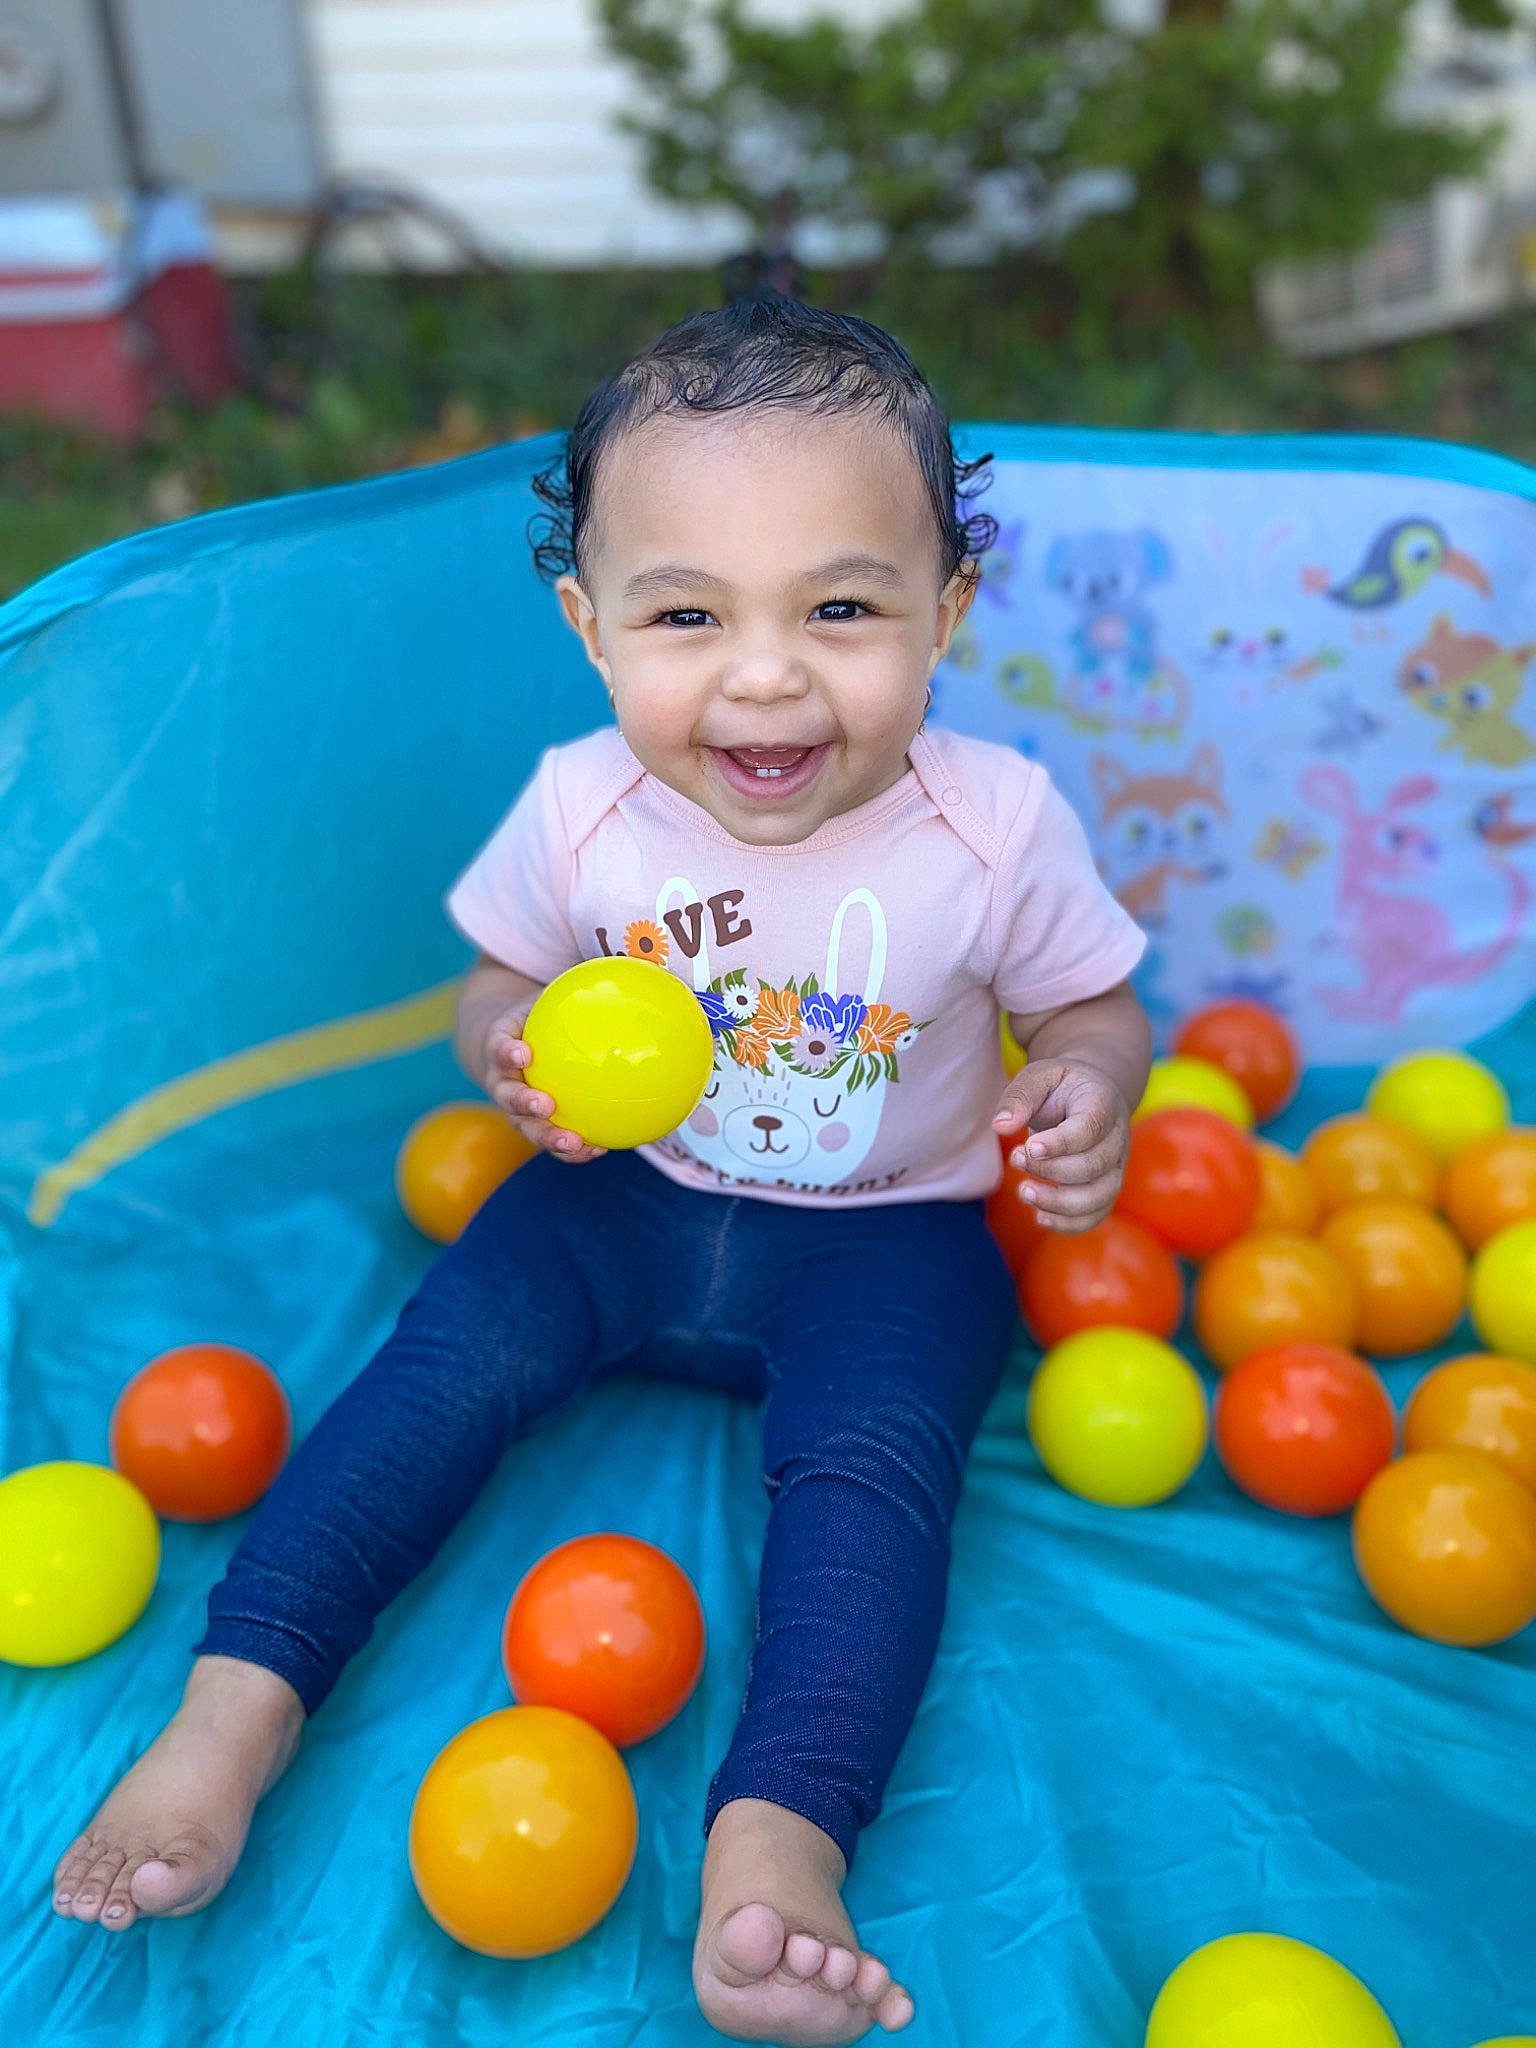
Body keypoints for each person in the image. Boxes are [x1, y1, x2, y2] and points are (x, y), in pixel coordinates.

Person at [52, 290, 1151, 2045]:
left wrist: (1090, 1086)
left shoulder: (994, 823)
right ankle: (235, 1707)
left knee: (876, 1475)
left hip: (891, 1236)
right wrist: (506, 1046)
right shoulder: (582, 807)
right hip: (620, 1200)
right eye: (688, 614)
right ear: (590, 624)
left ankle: (779, 1840)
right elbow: (497, 983)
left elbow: (1089, 1005)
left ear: (946, 609)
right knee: (435, 1366)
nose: (766, 672)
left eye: (842, 607)